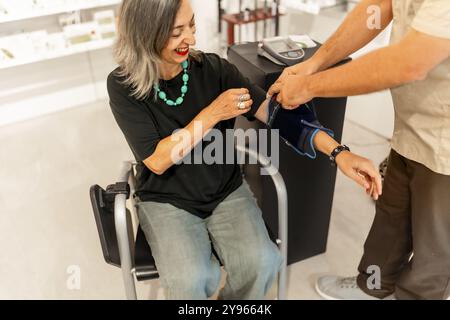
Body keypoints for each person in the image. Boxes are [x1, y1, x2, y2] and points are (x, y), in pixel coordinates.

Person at [107, 0, 381, 300]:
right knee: (192, 281)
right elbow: (157, 160)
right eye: (177, 32)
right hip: (166, 200)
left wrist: (339, 152)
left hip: (225, 191)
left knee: (263, 263)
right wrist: (213, 113)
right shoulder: (124, 85)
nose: (192, 38)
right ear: (147, 33)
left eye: (192, 25)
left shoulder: (213, 69)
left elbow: (278, 116)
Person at [268, 0, 450, 300]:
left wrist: (309, 86)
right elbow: (379, 7)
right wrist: (315, 63)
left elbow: (410, 63)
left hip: (444, 141)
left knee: (434, 247)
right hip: (413, 123)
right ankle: (374, 285)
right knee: (393, 210)